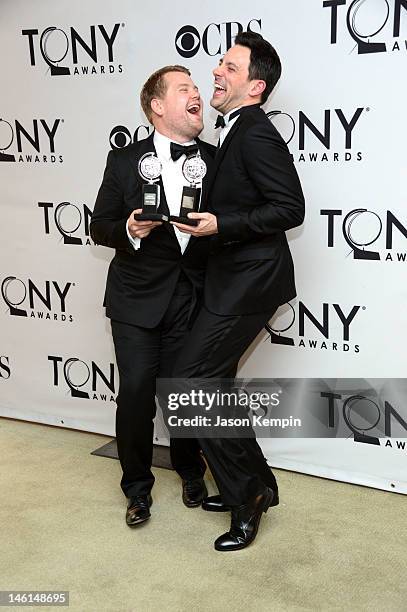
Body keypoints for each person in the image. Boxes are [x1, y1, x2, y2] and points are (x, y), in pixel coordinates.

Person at [171, 32, 305, 551]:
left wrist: (221, 224)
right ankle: (258, 486)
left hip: (250, 282)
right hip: (233, 280)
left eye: (229, 65)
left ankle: (247, 494)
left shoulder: (255, 133)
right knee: (212, 384)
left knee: (190, 382)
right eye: (218, 63)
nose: (216, 72)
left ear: (255, 85)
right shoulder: (235, 130)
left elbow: (289, 209)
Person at [90, 65, 215, 527]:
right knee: (138, 393)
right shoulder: (124, 160)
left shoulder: (217, 160)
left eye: (198, 88)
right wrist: (129, 228)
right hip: (136, 297)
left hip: (195, 298)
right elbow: (98, 224)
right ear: (158, 106)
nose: (197, 94)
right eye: (185, 88)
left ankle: (190, 470)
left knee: (185, 392)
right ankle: (137, 489)